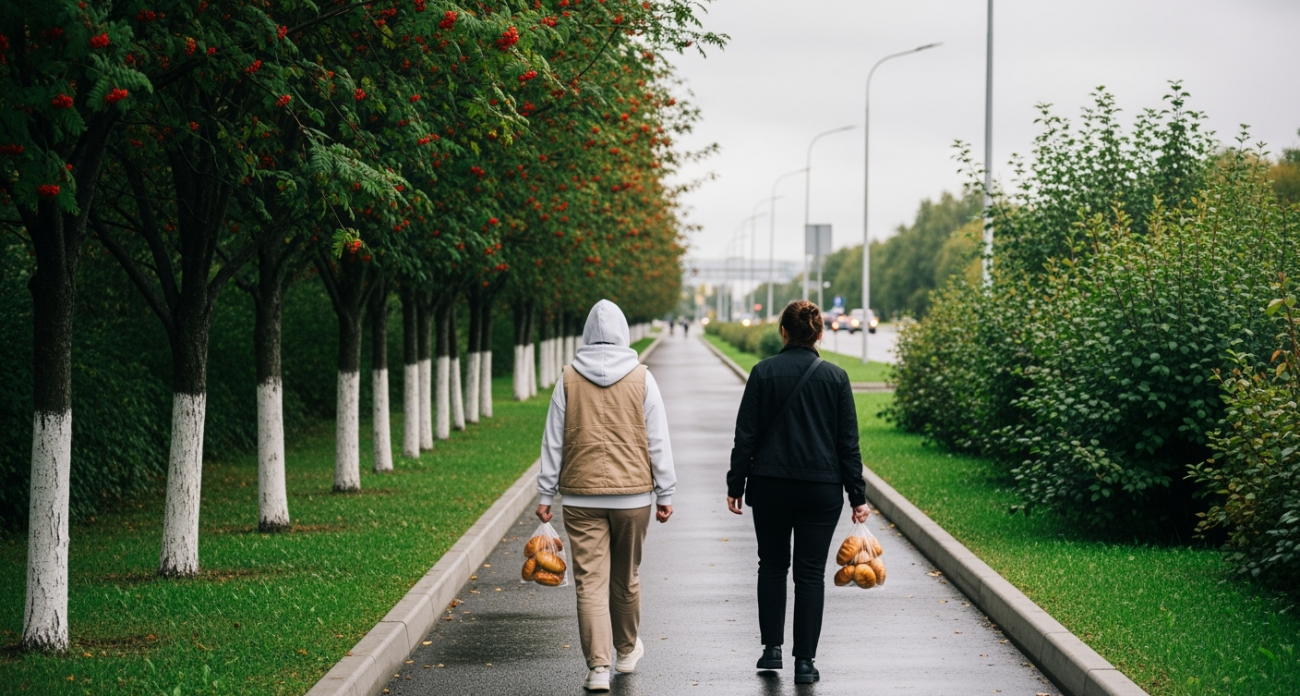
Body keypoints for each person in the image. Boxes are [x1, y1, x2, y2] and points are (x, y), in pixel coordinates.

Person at [725, 300, 868, 684]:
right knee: (809, 575)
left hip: (770, 488)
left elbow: (746, 436)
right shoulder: (836, 378)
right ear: (819, 334)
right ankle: (805, 662)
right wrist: (858, 496)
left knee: (771, 565)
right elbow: (847, 444)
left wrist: (735, 484)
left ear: (783, 332)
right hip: (820, 491)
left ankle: (771, 650)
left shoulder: (763, 373)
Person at [537, 299, 676, 692]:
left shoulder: (567, 378)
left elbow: (553, 442)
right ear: (623, 333)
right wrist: (665, 491)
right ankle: (626, 651)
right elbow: (658, 440)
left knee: (590, 583)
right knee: (626, 577)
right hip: (633, 497)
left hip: (580, 497)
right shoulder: (642, 378)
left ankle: (598, 668)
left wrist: (545, 493)